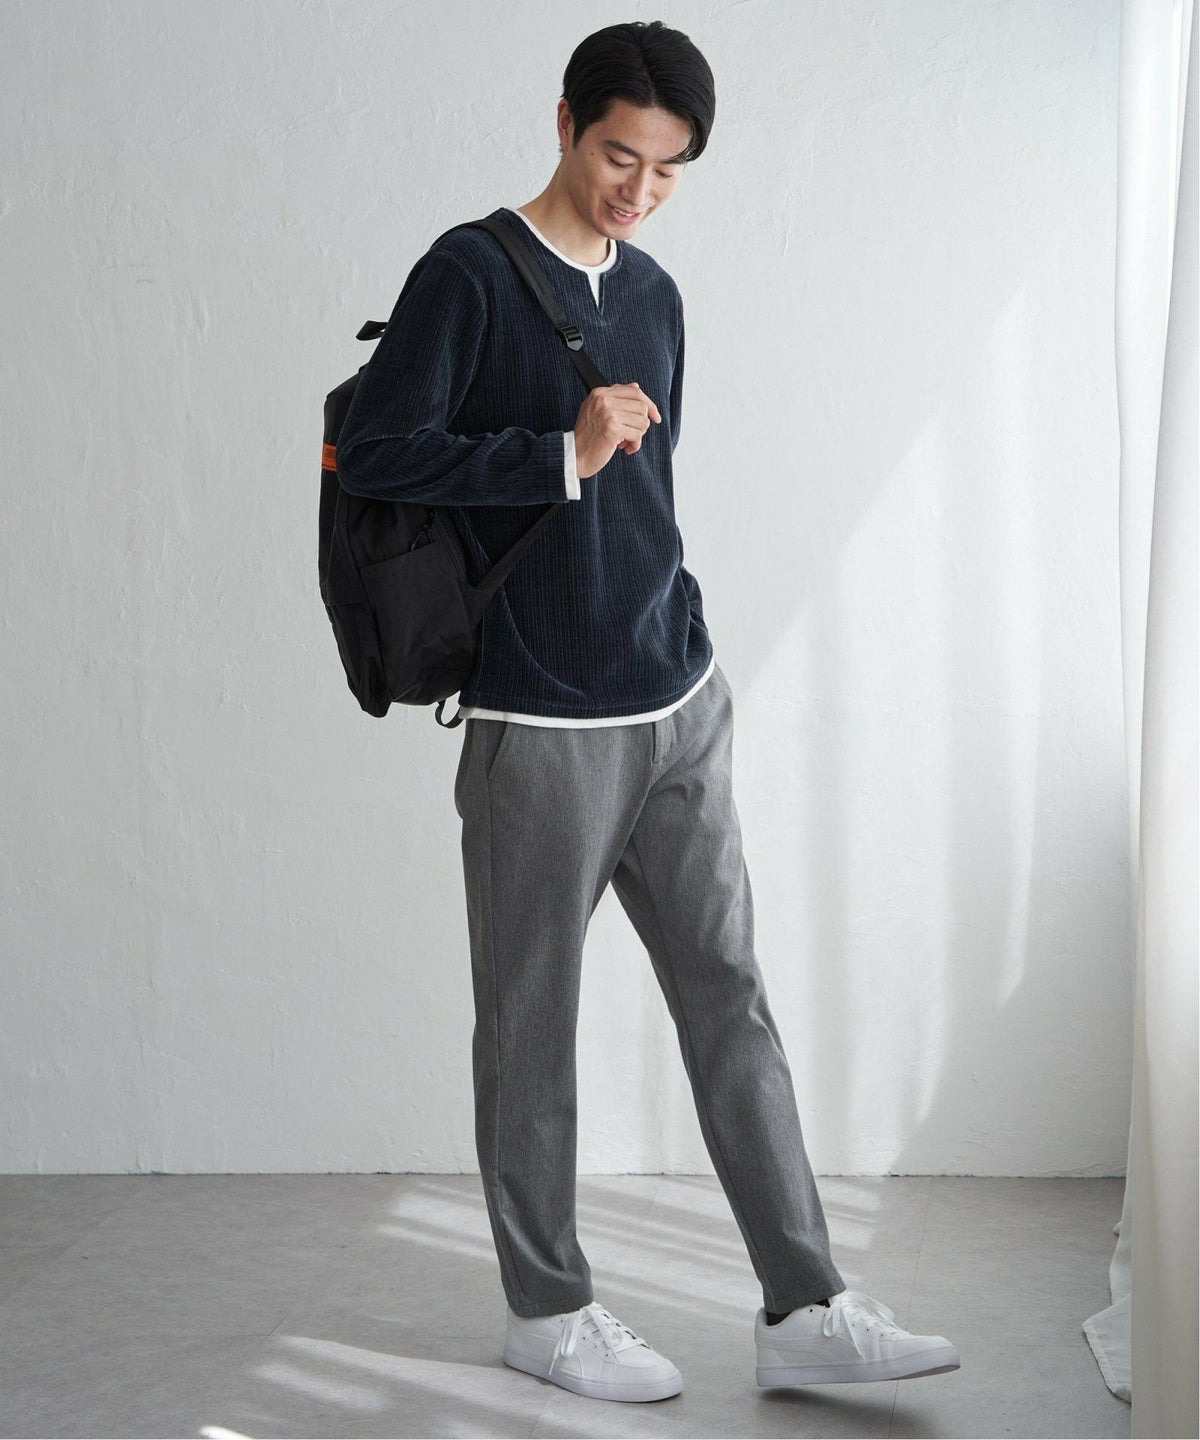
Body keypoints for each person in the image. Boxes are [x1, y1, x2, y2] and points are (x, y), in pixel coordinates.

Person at [335, 18, 961, 1406]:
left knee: (729, 995)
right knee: (532, 1022)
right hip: (540, 721)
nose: (641, 189)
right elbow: (378, 449)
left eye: (669, 169)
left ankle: (806, 1304)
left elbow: (650, 495)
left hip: (676, 695)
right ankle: (546, 1309)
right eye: (622, 155)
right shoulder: (468, 274)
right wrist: (554, 453)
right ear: (566, 123)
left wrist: (683, 626)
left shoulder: (659, 295)